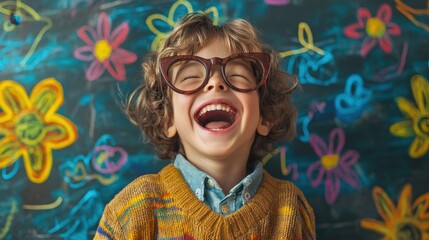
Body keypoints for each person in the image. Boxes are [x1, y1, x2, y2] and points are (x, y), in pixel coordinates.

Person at [94, 12, 315, 239]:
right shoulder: (132, 210)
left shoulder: (291, 209)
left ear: (265, 117)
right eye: (190, 77)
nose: (215, 83)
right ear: (167, 119)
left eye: (237, 74)